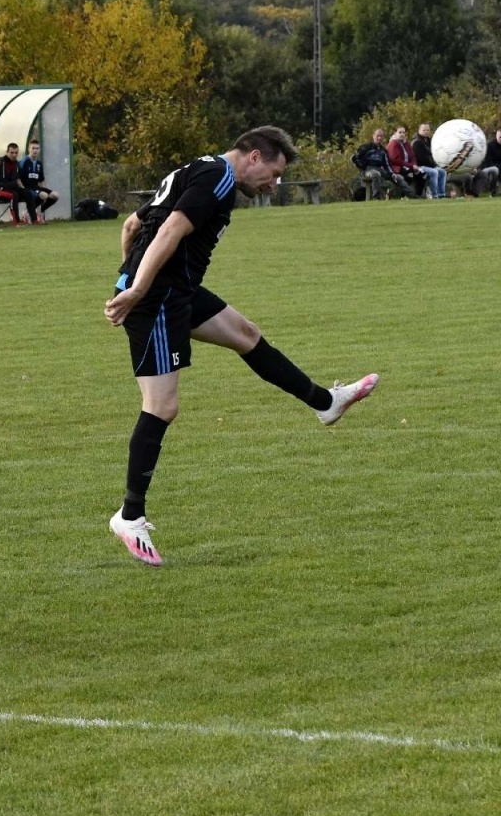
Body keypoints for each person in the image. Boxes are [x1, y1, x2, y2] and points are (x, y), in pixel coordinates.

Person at [102, 127, 378, 566]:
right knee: (162, 406)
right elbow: (170, 227)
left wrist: (127, 276)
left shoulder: (198, 168)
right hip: (159, 298)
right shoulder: (220, 179)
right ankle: (129, 515)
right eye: (273, 172)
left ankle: (326, 402)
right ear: (253, 157)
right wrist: (136, 289)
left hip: (177, 291)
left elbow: (133, 224)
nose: (274, 184)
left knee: (245, 334)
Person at [351, 129, 411, 200]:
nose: (379, 138)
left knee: (398, 177)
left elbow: (387, 164)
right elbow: (354, 158)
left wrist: (392, 174)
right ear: (373, 136)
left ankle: (411, 195)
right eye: (377, 136)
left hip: (379, 169)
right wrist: (362, 167)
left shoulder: (383, 150)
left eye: (381, 136)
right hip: (368, 169)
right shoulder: (366, 147)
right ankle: (377, 198)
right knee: (376, 174)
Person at [0, 142, 34, 225]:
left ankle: (34, 219)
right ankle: (16, 221)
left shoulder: (16, 164)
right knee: (13, 195)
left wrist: (23, 187)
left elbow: (18, 178)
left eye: (16, 153)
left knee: (28, 193)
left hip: (10, 187)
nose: (14, 155)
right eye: (12, 152)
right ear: (7, 152)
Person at [19, 139, 60, 223]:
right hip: (27, 187)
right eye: (33, 148)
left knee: (55, 195)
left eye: (37, 148)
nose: (35, 150)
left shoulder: (39, 163)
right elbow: (18, 178)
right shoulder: (24, 162)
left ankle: (40, 212)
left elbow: (41, 180)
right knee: (44, 195)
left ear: (39, 150)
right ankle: (27, 213)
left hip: (36, 187)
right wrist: (23, 190)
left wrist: (44, 189)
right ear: (29, 149)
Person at [386, 127, 425, 198]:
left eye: (403, 132)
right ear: (395, 133)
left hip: (408, 166)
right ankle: (403, 195)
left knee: (422, 174)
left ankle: (418, 194)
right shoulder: (393, 144)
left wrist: (414, 165)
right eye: (400, 132)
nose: (402, 134)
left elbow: (412, 156)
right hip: (397, 167)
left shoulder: (406, 143)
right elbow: (396, 160)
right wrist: (411, 166)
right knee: (409, 174)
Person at [411, 124, 447, 199]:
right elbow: (421, 159)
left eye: (427, 130)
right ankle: (435, 194)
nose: (426, 132)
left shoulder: (429, 141)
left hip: (430, 165)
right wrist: (433, 165)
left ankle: (442, 194)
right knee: (434, 172)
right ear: (419, 131)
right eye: (424, 130)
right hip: (420, 166)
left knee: (443, 171)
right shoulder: (417, 142)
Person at [468, 128, 501, 196]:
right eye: (500, 137)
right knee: (495, 169)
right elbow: (488, 163)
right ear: (496, 136)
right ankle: (492, 191)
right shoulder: (490, 146)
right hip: (487, 169)